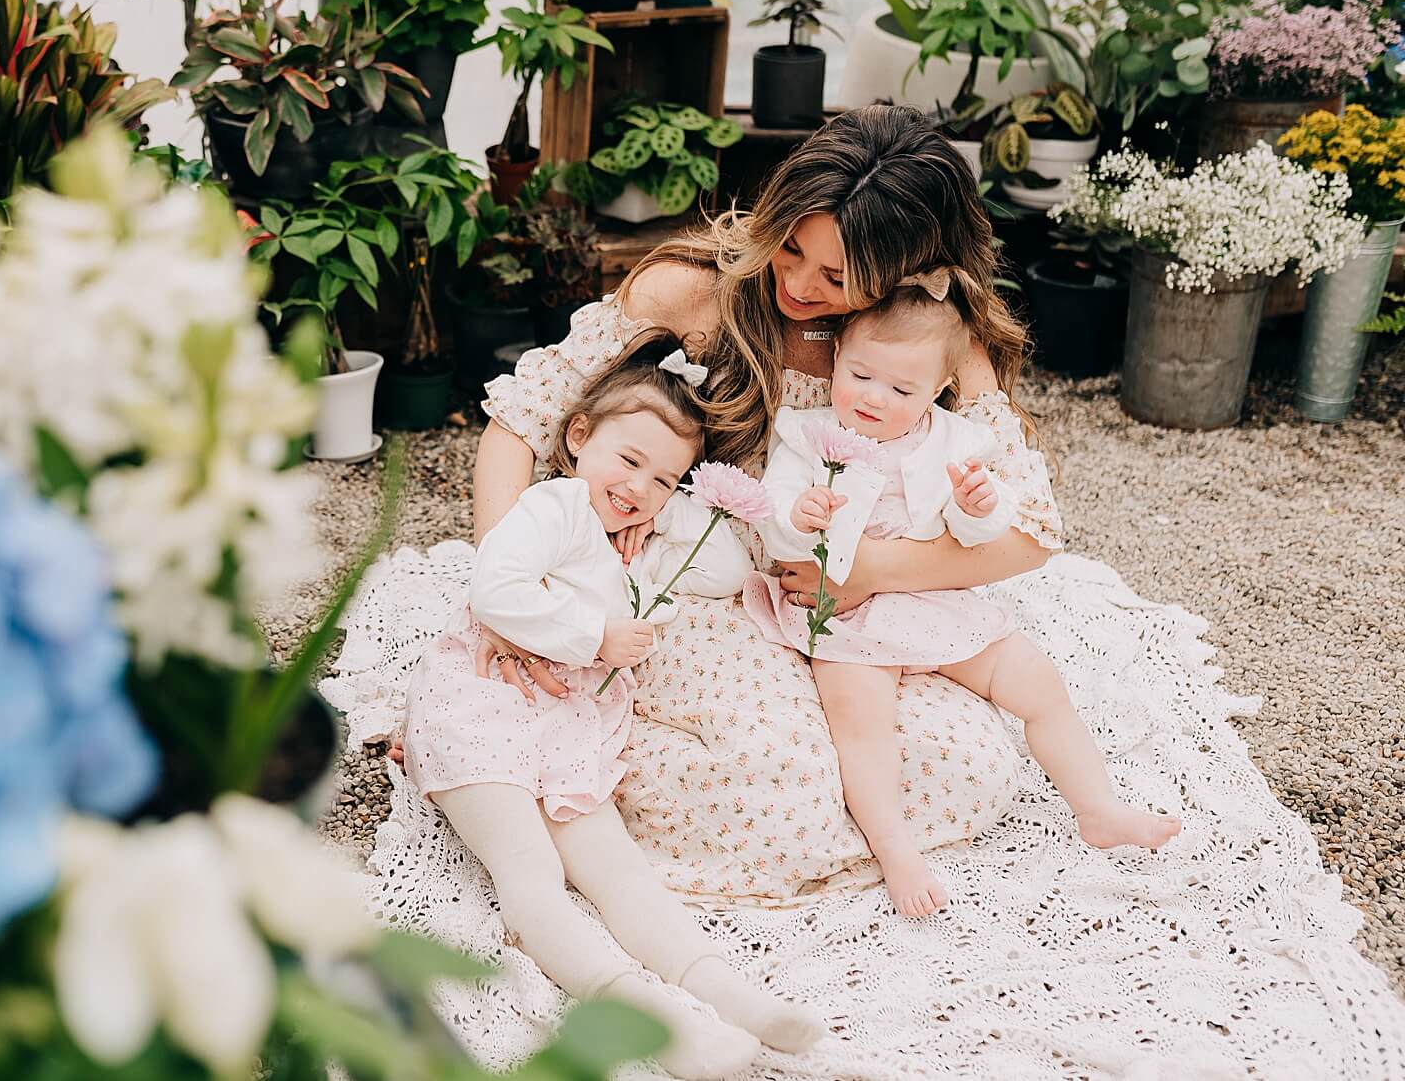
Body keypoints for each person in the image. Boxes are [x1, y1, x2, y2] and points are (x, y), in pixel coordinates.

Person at [468, 105, 1061, 902]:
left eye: (836, 278)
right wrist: (510, 589)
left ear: (906, 270)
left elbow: (1032, 531)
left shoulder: (924, 336)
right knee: (762, 777)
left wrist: (867, 571)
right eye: (790, 246)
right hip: (706, 588)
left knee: (970, 763)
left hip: (854, 612)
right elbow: (520, 422)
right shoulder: (697, 289)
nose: (796, 284)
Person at [403, 333, 823, 1077]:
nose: (639, 488)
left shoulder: (627, 537)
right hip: (481, 708)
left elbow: (721, 569)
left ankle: (725, 989)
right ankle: (658, 1025)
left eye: (665, 479)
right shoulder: (555, 505)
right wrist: (595, 631)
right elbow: (493, 586)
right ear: (578, 436)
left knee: (618, 869)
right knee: (531, 869)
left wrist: (668, 515)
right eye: (629, 462)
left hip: (562, 721)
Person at [742, 279, 1179, 916]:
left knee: (1039, 686)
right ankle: (896, 851)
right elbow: (773, 518)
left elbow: (979, 534)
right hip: (846, 613)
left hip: (928, 598)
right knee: (862, 730)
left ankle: (1097, 807)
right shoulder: (807, 436)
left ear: (935, 392)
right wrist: (797, 515)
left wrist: (979, 508)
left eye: (901, 390)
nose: (873, 398)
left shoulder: (953, 441)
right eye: (861, 375)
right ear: (835, 359)